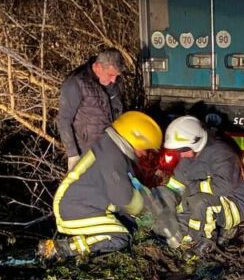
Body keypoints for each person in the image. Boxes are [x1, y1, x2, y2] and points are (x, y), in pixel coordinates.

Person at [40, 111, 162, 260]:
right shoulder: (114, 158)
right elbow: (124, 198)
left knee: (129, 225)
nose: (144, 154)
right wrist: (145, 205)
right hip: (74, 209)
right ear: (135, 140)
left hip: (79, 204)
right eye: (145, 149)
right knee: (120, 237)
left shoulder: (110, 147)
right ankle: (61, 249)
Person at [156, 115, 244, 255]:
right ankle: (187, 235)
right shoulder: (188, 156)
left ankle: (204, 242)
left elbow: (224, 186)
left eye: (182, 150)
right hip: (201, 201)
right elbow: (178, 183)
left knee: (200, 202)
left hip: (234, 204)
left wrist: (194, 187)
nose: (180, 155)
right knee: (176, 217)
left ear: (196, 142)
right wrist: (166, 197)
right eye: (178, 151)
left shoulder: (222, 154)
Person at [56, 48, 125, 171]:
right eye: (111, 75)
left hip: (112, 148)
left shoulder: (115, 83)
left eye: (116, 76)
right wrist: (72, 155)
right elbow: (64, 120)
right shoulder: (75, 83)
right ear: (98, 67)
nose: (114, 80)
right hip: (87, 153)